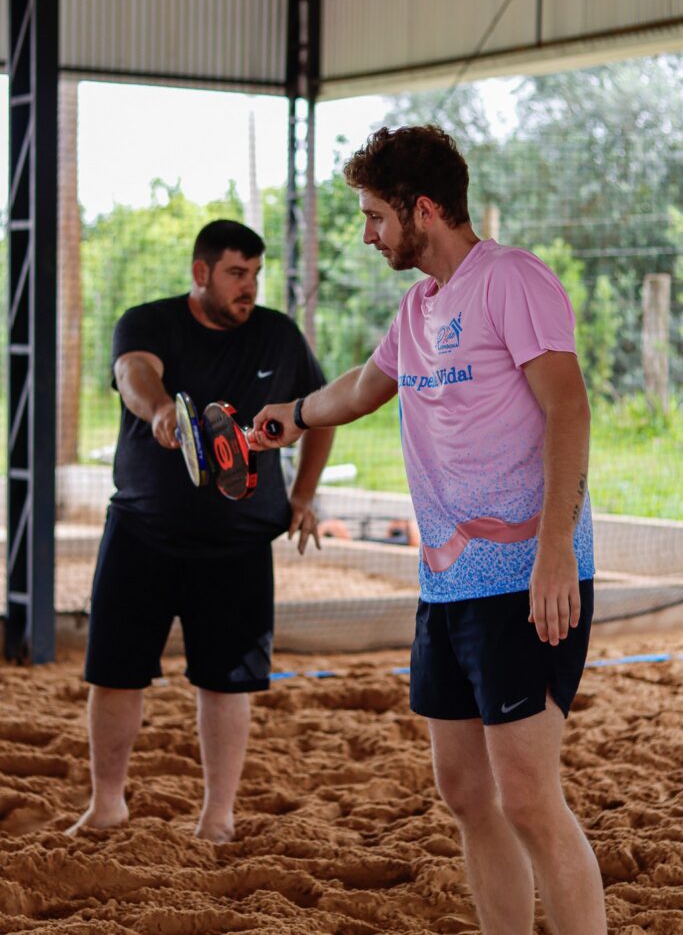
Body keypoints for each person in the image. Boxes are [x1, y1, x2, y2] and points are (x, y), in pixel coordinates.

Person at [253, 127, 606, 934]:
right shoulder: (419, 309)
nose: (368, 233)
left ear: (422, 209)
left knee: (527, 797)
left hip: (526, 579)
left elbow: (569, 409)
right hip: (446, 583)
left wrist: (556, 553)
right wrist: (292, 416)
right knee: (464, 792)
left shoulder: (510, 279)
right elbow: (363, 386)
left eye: (375, 216)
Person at [68, 219, 333, 843]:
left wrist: (302, 495)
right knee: (114, 673)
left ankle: (218, 817)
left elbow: (320, 413)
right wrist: (162, 410)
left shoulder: (277, 335)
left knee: (226, 682)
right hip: (141, 531)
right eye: (237, 274)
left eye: (256, 275)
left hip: (238, 544)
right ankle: (108, 804)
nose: (249, 287)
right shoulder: (147, 321)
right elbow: (136, 373)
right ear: (201, 273)